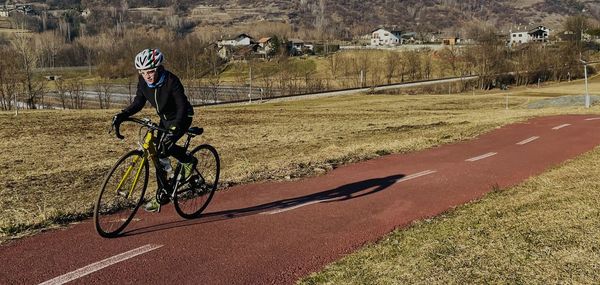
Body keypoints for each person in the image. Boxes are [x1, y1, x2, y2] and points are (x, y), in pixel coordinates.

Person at [112, 48, 196, 212]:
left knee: (166, 146)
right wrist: (123, 114)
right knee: (157, 154)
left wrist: (175, 127)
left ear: (158, 68)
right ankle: (162, 194)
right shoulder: (143, 81)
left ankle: (188, 161)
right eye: (143, 72)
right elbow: (138, 102)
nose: (147, 76)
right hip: (165, 118)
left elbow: (181, 107)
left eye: (150, 71)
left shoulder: (171, 81)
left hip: (182, 116)